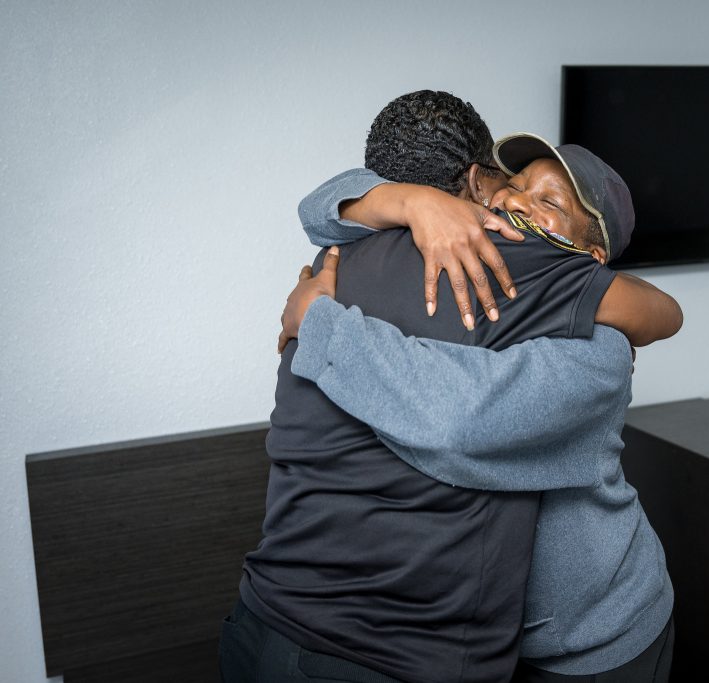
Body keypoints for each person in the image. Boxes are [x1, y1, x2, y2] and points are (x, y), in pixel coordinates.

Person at [221, 91, 679, 683]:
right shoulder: (420, 258)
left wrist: (320, 325)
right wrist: (412, 202)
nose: (515, 200)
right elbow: (323, 205)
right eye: (515, 183)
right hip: (477, 637)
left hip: (591, 635)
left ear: (591, 257)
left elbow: (460, 421)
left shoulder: (595, 342)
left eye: (550, 203)